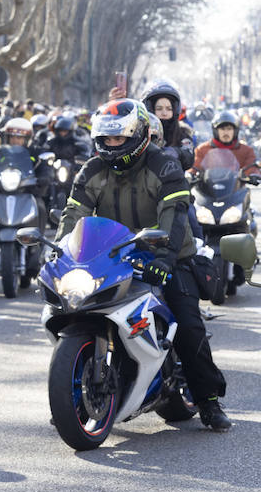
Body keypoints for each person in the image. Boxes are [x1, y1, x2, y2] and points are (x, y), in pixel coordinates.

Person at [56, 98, 231, 431]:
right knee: (73, 309)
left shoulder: (164, 165)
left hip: (169, 256)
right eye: (106, 139)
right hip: (114, 254)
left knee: (188, 325)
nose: (111, 145)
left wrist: (164, 257)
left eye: (118, 138)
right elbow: (74, 213)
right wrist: (61, 252)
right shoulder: (92, 169)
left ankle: (208, 400)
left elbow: (174, 215)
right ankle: (69, 394)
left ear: (137, 135)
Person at [140, 79, 195, 172]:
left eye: (169, 109)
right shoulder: (142, 132)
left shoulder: (183, 132)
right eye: (159, 108)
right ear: (151, 109)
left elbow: (189, 156)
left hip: (173, 180)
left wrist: (177, 152)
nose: (164, 113)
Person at [193, 110, 258, 175]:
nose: (226, 132)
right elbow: (195, 167)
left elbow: (251, 167)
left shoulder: (246, 151)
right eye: (222, 129)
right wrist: (191, 174)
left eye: (229, 129)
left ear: (235, 131)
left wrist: (252, 174)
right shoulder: (202, 149)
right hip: (208, 184)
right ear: (216, 131)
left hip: (236, 184)